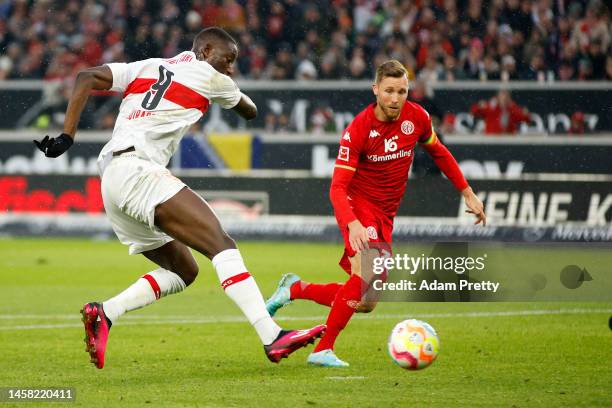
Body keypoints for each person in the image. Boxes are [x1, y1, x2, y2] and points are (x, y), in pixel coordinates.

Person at [33, 27, 325, 369]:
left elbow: (85, 77)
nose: (230, 68)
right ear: (205, 51)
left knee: (184, 270)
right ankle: (271, 335)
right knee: (222, 244)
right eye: (227, 59)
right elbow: (251, 112)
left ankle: (105, 313)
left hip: (112, 180)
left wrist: (68, 135)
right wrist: (236, 94)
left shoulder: (147, 66)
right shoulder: (209, 75)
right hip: (138, 172)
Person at [265, 60, 486, 367]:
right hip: (359, 207)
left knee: (366, 302)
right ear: (376, 90)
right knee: (363, 275)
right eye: (389, 91)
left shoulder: (417, 117)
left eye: (402, 91)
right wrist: (352, 223)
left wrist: (467, 191)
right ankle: (322, 349)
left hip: (385, 215)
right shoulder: (359, 129)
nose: (396, 98)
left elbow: (439, 152)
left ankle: (295, 289)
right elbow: (337, 188)